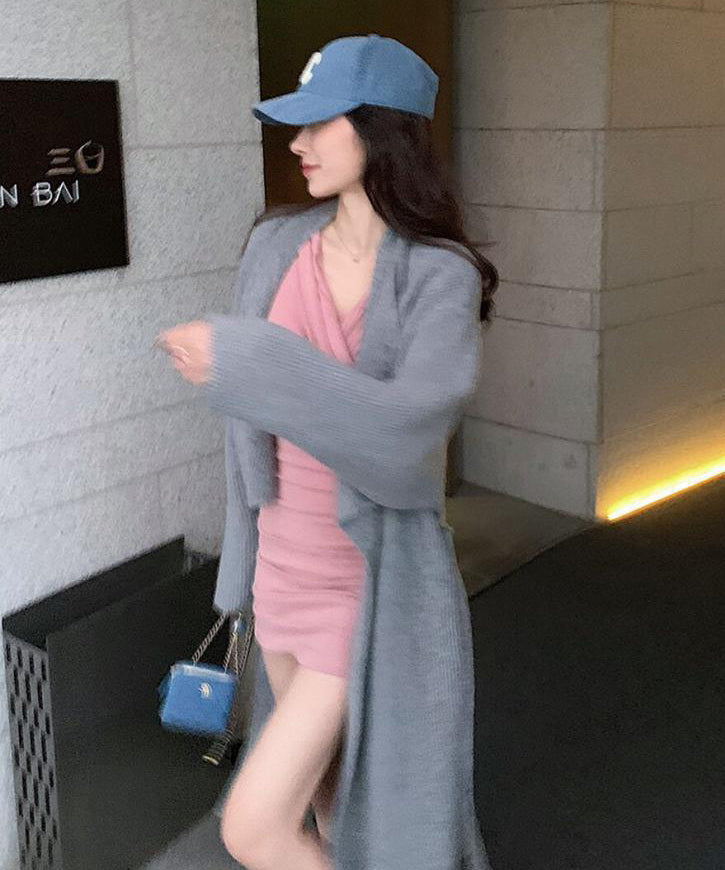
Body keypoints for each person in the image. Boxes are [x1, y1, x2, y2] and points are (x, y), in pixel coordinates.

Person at [156, 33, 498, 870]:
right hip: (281, 575)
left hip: (366, 588)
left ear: (382, 130)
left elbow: (403, 439)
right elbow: (249, 442)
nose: (297, 144)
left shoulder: (439, 275)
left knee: (251, 828)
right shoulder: (276, 245)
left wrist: (248, 362)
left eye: (319, 123)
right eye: (295, 125)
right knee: (330, 804)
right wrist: (241, 573)